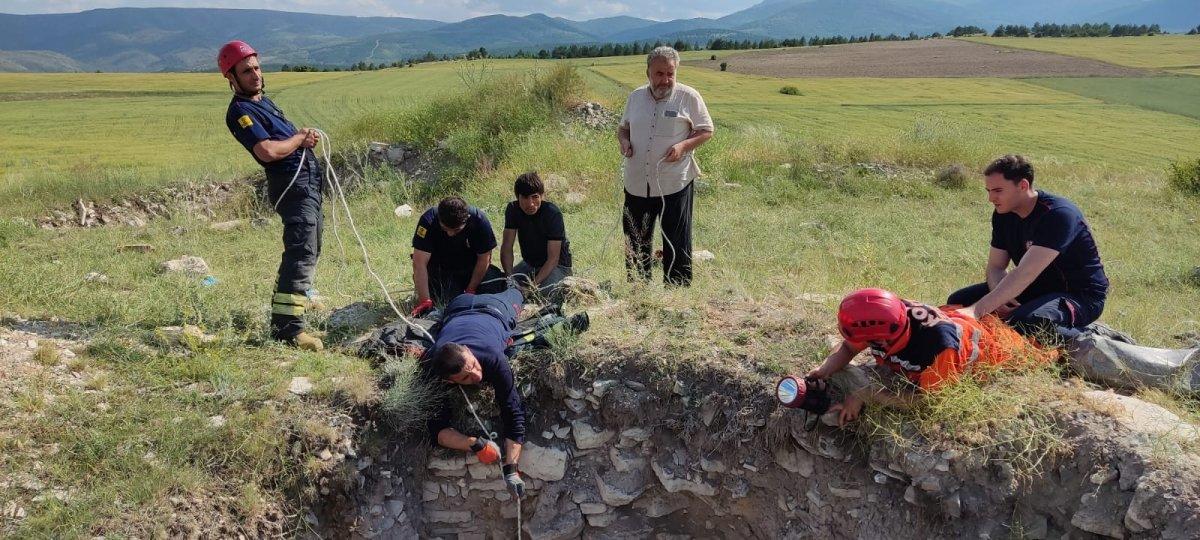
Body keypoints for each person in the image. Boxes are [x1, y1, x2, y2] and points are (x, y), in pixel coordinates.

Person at [806, 288, 1055, 426]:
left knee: (1046, 351)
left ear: (882, 339)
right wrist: (823, 370)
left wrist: (867, 395)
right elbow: (848, 349)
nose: (863, 345)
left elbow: (928, 403)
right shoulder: (888, 315)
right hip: (959, 319)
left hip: (1001, 352)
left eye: (870, 342)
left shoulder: (939, 347)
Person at [220, 40, 324, 351]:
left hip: (307, 183)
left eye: (256, 67)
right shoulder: (240, 111)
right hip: (292, 187)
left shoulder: (264, 102)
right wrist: (297, 139)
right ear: (231, 78)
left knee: (312, 245)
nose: (255, 74)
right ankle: (288, 329)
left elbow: (286, 141)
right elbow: (267, 151)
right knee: (300, 251)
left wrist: (305, 140)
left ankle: (298, 298)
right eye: (246, 71)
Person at [950, 155, 1109, 340]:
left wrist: (977, 310)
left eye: (998, 190)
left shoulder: (1058, 214)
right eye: (988, 191)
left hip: (1080, 296)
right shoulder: (1003, 213)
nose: (991, 198)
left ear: (1023, 185)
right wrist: (998, 297)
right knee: (959, 301)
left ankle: (1092, 337)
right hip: (1036, 288)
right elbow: (996, 266)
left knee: (1025, 323)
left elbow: (1026, 272)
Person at [616, 46, 714, 286]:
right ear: (647, 72)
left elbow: (706, 130)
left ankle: (677, 290)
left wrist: (683, 147)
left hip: (674, 182)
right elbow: (622, 128)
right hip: (637, 182)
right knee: (636, 237)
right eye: (659, 73)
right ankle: (639, 286)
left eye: (670, 73)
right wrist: (624, 142)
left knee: (676, 239)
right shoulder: (635, 97)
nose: (665, 80)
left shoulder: (689, 96)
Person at [421, 287, 528, 499]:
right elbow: (437, 431)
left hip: (497, 308)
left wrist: (512, 469)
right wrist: (475, 444)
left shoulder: (493, 358)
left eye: (475, 367)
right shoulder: (432, 372)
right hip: (458, 305)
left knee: (519, 291)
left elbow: (513, 411)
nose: (477, 376)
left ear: (468, 351)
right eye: (466, 378)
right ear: (448, 380)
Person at [410, 196, 505, 316]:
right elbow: (419, 263)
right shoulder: (428, 221)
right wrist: (424, 300)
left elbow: (484, 259)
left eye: (456, 230)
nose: (450, 234)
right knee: (453, 303)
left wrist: (471, 289)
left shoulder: (479, 220)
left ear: (467, 220)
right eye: (445, 229)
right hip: (442, 271)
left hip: (472, 269)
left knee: (492, 292)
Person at [501, 172, 573, 298]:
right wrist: (509, 278)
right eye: (525, 198)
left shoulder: (552, 213)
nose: (531, 204)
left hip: (557, 266)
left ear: (541, 196)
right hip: (530, 264)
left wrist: (531, 287)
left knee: (543, 293)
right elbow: (507, 248)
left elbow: (553, 259)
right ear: (518, 197)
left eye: (535, 197)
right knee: (502, 285)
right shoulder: (513, 209)